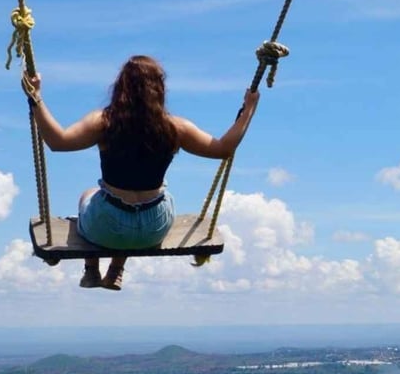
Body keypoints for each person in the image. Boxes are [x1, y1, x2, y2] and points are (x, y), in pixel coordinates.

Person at [27, 55, 260, 290]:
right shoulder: (175, 127)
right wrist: (248, 110)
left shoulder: (104, 122)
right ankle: (117, 269)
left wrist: (36, 98)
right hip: (153, 228)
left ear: (120, 87)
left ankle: (91, 270)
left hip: (106, 228)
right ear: (159, 89)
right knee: (157, 193)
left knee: (90, 194)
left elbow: (58, 141)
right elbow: (223, 149)